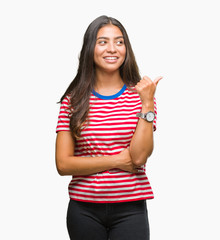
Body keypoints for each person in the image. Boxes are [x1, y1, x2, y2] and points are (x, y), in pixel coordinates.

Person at [55, 15, 161, 240]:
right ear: (90, 48)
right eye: (103, 42)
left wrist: (147, 103)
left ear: (126, 49)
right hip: (84, 210)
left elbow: (139, 157)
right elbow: (63, 164)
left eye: (119, 42)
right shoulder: (73, 101)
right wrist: (116, 160)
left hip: (131, 209)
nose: (112, 49)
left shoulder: (141, 97)